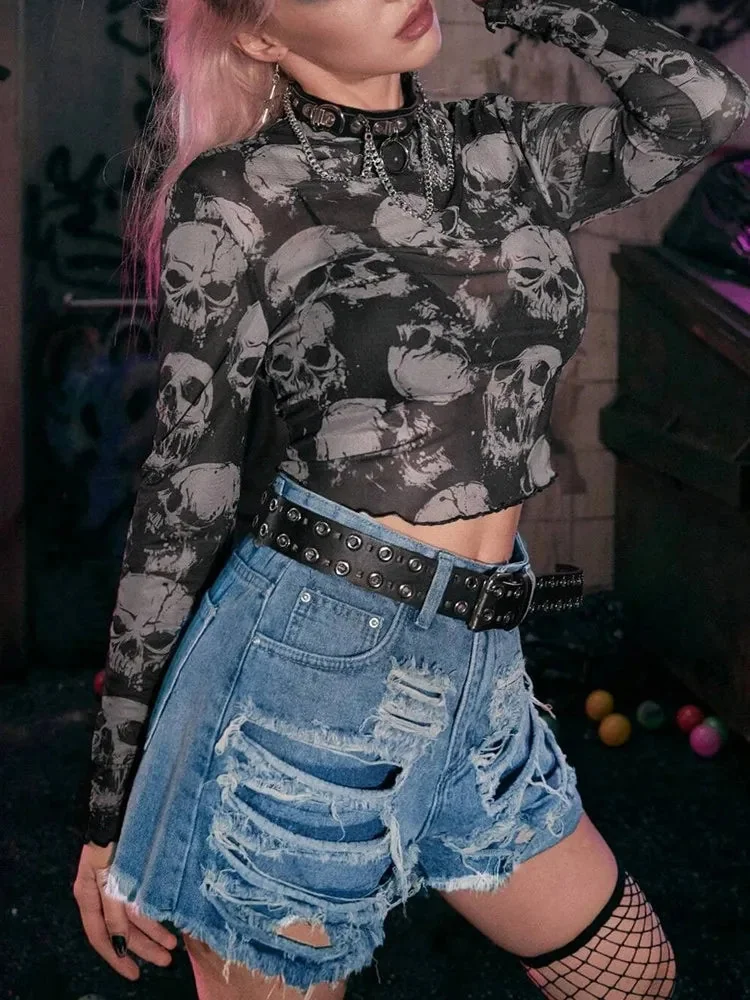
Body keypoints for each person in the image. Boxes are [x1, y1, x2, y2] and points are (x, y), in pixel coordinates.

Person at [73, 0, 749, 996]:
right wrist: (112, 799)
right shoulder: (240, 194)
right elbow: (187, 491)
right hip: (303, 680)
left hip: (481, 667)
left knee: (633, 977)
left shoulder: (500, 147)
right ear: (261, 36)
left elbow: (702, 107)